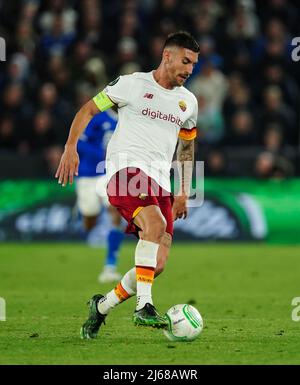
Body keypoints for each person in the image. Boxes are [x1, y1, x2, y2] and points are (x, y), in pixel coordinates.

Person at [55, 31, 200, 338]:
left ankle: (102, 306)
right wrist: (71, 147)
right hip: (125, 170)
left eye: (194, 64)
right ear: (167, 56)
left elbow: (186, 148)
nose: (189, 69)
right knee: (154, 223)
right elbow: (88, 110)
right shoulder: (131, 84)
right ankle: (144, 308)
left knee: (156, 263)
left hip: (161, 182)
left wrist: (184, 190)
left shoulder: (188, 102)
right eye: (185, 61)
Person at [76, 109, 124, 283]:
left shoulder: (130, 117)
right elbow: (80, 144)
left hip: (109, 174)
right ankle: (81, 211)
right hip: (88, 174)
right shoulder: (98, 118)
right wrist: (101, 153)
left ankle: (110, 267)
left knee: (115, 211)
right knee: (90, 220)